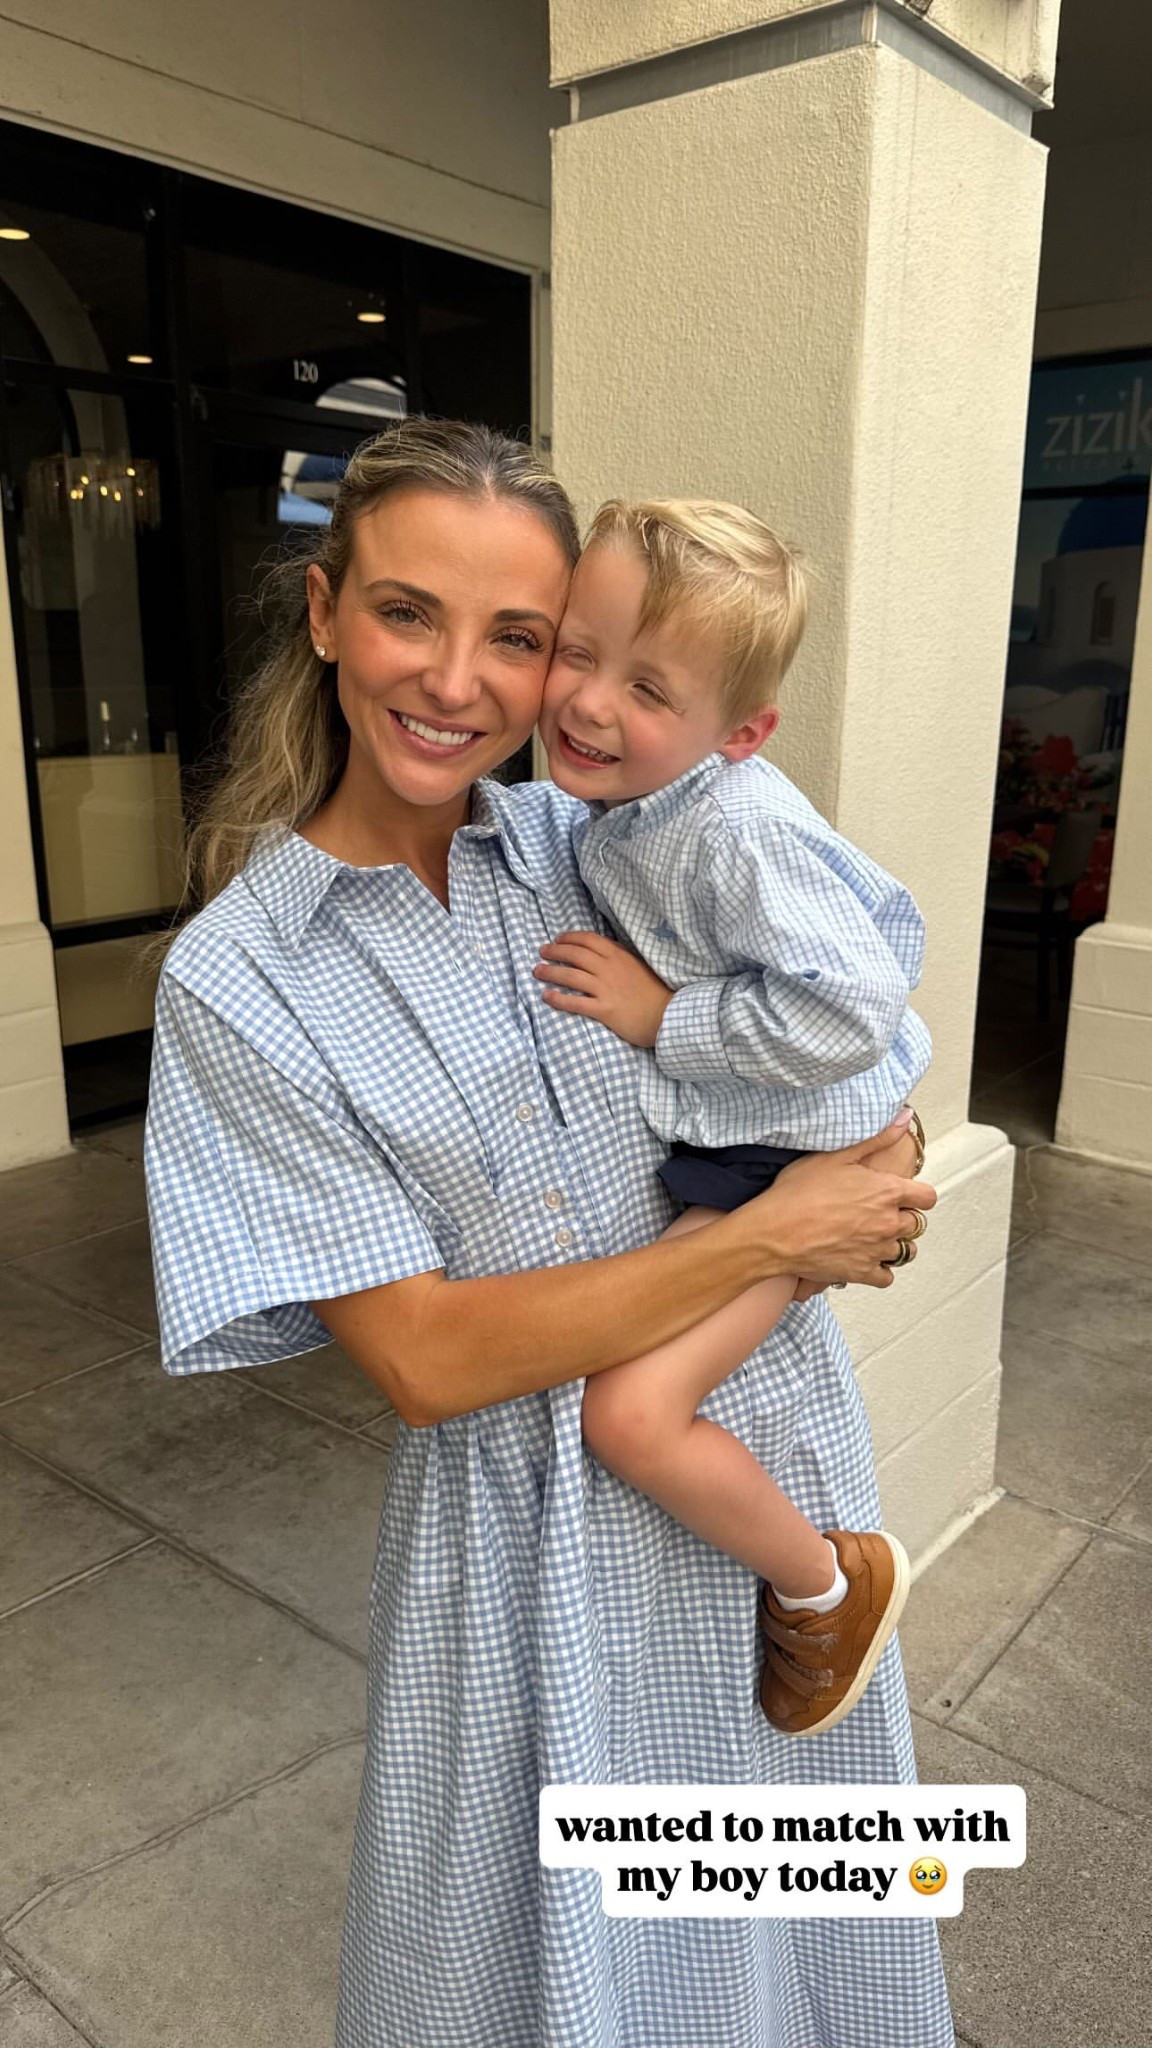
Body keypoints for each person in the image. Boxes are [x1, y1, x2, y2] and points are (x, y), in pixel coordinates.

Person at [144, 419, 954, 2048]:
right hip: (522, 1532)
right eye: (406, 612)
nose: (461, 679)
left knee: (806, 1905)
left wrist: (873, 1139)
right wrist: (776, 1233)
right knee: (561, 1963)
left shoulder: (591, 848)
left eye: (517, 634)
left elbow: (825, 1020)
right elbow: (429, 1357)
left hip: (767, 1459)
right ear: (323, 612)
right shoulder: (239, 980)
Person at [533, 498, 931, 1740]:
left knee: (629, 1414)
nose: (591, 702)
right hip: (769, 1151)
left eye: (649, 687)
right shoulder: (631, 807)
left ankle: (827, 1583)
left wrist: (666, 1017)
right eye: (575, 650)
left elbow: (856, 1002)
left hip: (800, 1160)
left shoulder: (732, 830)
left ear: (740, 733)